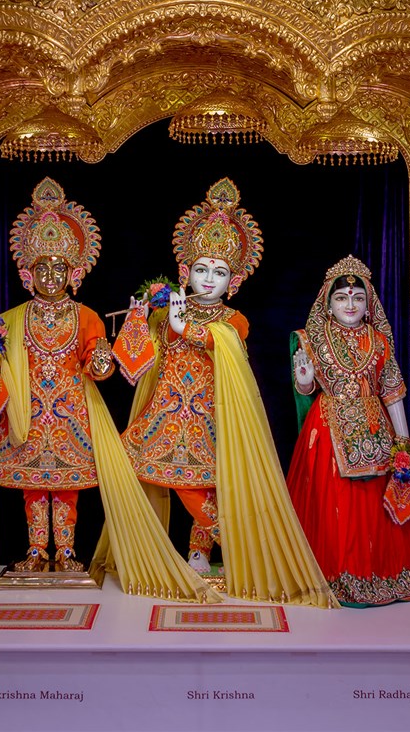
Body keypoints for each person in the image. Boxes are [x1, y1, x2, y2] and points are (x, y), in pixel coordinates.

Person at [0, 176, 219, 602]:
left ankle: (66, 551)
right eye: (41, 268)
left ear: (75, 273)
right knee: (33, 485)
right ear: (26, 274)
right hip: (27, 415)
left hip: (70, 415)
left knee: (65, 485)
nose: (50, 277)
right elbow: (0, 367)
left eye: (59, 268)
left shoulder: (86, 316)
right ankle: (35, 550)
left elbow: (98, 365)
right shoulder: (9, 319)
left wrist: (100, 359)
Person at [118, 177, 336, 607]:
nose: (208, 279)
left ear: (232, 282)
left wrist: (183, 327)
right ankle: (223, 547)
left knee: (210, 485)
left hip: (214, 417)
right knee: (164, 477)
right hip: (166, 415)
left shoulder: (235, 319)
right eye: (201, 269)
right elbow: (136, 360)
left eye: (219, 273)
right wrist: (139, 318)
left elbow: (224, 344)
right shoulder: (169, 310)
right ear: (185, 271)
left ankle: (209, 551)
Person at [286, 254, 410, 607]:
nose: (350, 304)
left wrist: (404, 444)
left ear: (369, 305)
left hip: (375, 428)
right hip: (328, 431)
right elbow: (306, 389)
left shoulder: (379, 341)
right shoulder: (311, 340)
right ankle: (341, 571)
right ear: (328, 304)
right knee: (334, 505)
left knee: (377, 505)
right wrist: (304, 379)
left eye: (357, 298)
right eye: (341, 298)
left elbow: (392, 391)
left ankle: (379, 572)